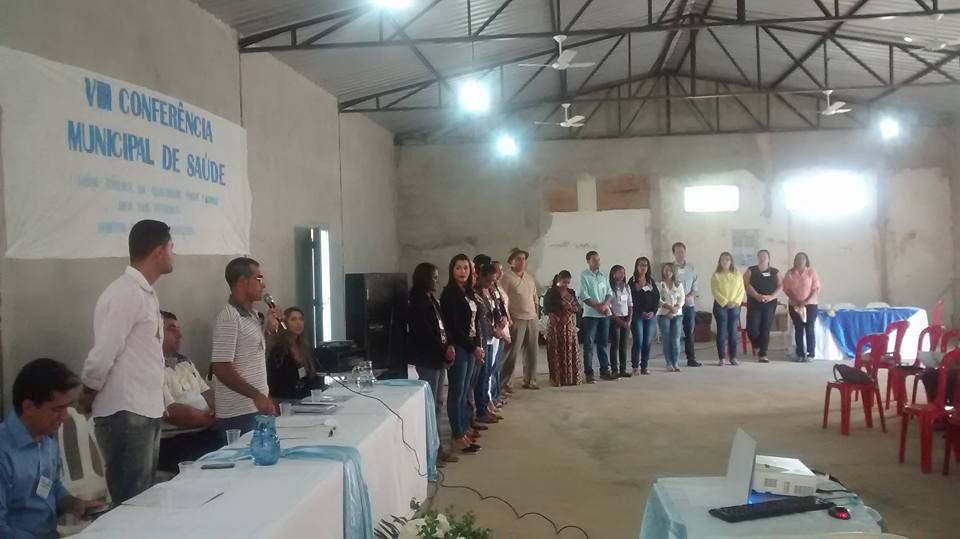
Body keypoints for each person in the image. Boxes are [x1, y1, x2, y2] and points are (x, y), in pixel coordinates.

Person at [78, 219, 173, 504]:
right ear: (158, 251)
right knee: (131, 501)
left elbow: (148, 355)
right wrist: (88, 392)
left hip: (145, 409)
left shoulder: (145, 293)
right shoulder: (125, 293)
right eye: (171, 247)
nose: (173, 254)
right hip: (126, 411)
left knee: (143, 498)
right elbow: (104, 352)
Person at [1, 359, 94, 538]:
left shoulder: (47, 441)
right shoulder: (4, 453)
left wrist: (73, 504)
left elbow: (52, 486)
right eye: (57, 409)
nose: (65, 416)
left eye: (67, 407)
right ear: (28, 407)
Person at [211, 257, 281, 437]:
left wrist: (270, 331)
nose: (263, 285)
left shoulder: (254, 315)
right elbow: (221, 367)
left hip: (257, 407)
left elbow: (255, 357)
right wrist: (256, 395)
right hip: (238, 412)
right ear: (242, 281)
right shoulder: (229, 317)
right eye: (259, 279)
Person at [405, 262, 458, 465]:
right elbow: (424, 333)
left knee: (437, 404)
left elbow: (443, 326)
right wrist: (444, 349)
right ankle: (430, 453)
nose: (437, 281)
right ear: (424, 278)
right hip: (429, 359)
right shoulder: (416, 302)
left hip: (439, 358)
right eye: (434, 277)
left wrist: (450, 344)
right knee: (429, 406)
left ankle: (438, 447)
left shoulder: (432, 299)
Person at [157, 311, 222, 474]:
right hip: (174, 441)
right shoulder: (150, 368)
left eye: (179, 329)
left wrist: (218, 411)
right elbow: (171, 412)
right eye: (171, 329)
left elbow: (207, 393)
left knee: (237, 444)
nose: (179, 335)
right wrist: (208, 419)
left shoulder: (185, 362)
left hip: (204, 431)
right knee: (217, 460)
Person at [440, 254, 483, 454]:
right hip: (459, 346)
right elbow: (454, 327)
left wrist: (478, 346)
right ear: (452, 270)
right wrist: (472, 348)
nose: (462, 271)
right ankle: (457, 434)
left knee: (466, 390)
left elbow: (475, 323)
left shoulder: (469, 292)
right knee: (457, 391)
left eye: (466, 267)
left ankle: (465, 428)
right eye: (458, 268)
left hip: (471, 346)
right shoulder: (449, 294)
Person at [499, 248, 540, 392]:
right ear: (511, 261)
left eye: (524, 259)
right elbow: (502, 300)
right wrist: (507, 318)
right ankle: (506, 383)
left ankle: (530, 380)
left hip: (532, 318)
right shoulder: (506, 278)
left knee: (532, 352)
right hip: (516, 318)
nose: (522, 262)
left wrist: (536, 314)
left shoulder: (530, 278)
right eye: (518, 259)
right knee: (512, 352)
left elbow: (535, 297)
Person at [267, 307, 324, 400]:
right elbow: (276, 383)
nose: (298, 323)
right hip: (285, 398)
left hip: (305, 397)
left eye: (301, 319)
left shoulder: (305, 347)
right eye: (293, 319)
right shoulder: (279, 349)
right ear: (284, 323)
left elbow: (312, 376)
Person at [472, 261, 502, 424]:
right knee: (481, 376)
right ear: (480, 276)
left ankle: (484, 408)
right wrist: (492, 330)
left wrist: (499, 322)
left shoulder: (490, 290)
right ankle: (481, 410)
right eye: (488, 280)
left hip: (491, 338)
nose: (491, 283)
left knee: (487, 373)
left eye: (493, 281)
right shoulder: (475, 292)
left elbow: (494, 310)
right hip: (482, 338)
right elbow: (481, 319)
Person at [580, 251, 616, 383]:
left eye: (598, 260)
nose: (597, 262)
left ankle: (604, 371)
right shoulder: (584, 276)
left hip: (604, 315)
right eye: (594, 260)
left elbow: (609, 292)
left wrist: (605, 305)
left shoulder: (604, 275)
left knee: (603, 343)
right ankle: (589, 373)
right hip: (590, 315)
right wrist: (598, 307)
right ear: (588, 261)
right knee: (589, 345)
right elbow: (583, 295)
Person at [542, 271, 583, 386]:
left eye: (568, 282)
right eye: (564, 282)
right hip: (556, 325)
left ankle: (571, 378)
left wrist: (572, 308)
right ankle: (557, 379)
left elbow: (578, 308)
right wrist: (561, 308)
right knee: (556, 351)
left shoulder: (571, 292)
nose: (566, 285)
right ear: (558, 281)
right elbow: (546, 308)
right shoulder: (551, 292)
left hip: (569, 326)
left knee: (570, 350)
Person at [744, 250, 782, 363]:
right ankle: (757, 344)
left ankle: (763, 354)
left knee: (765, 328)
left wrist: (771, 297)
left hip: (770, 303)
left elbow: (780, 286)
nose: (762, 258)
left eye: (765, 256)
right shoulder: (751, 270)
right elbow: (746, 284)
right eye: (760, 256)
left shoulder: (775, 272)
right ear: (757, 258)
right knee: (752, 329)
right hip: (754, 302)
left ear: (769, 258)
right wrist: (757, 296)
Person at [782, 252, 821, 362]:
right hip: (794, 305)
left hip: (810, 305)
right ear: (795, 260)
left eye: (803, 259)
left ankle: (810, 354)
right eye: (798, 258)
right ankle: (800, 354)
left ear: (806, 260)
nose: (800, 261)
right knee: (798, 329)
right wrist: (796, 300)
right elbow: (787, 289)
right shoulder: (790, 273)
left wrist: (806, 301)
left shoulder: (812, 272)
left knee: (809, 328)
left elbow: (816, 288)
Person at [711, 252, 746, 367]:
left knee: (733, 332)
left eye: (727, 259)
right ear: (720, 262)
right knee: (722, 333)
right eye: (723, 260)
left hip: (734, 306)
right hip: (721, 306)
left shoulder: (737, 274)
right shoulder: (716, 275)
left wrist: (735, 302)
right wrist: (726, 302)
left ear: (731, 261)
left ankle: (733, 357)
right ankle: (722, 358)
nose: (725, 262)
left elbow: (741, 290)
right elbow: (715, 291)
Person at [672, 242, 702, 367]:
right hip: (675, 305)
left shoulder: (691, 268)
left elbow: (696, 286)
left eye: (682, 252)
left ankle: (691, 359)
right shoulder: (671, 268)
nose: (680, 254)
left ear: (685, 252)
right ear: (674, 253)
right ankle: (673, 360)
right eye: (677, 252)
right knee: (675, 333)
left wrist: (690, 296)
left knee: (689, 332)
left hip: (689, 304)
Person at [628, 257, 659, 376]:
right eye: (641, 265)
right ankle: (635, 366)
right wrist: (642, 311)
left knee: (647, 341)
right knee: (638, 340)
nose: (643, 268)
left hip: (650, 315)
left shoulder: (650, 281)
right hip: (637, 315)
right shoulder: (632, 281)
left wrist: (653, 311)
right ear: (636, 267)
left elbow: (656, 297)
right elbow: (632, 299)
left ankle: (644, 366)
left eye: (645, 265)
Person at [488, 261, 512, 409]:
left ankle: (496, 394)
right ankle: (490, 398)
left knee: (497, 367)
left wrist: (507, 319)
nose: (501, 273)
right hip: (495, 332)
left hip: (503, 329)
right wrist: (502, 332)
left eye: (502, 270)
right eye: (498, 270)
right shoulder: (489, 289)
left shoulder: (498, 288)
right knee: (491, 369)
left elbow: (502, 307)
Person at [658, 263, 685, 372]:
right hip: (664, 314)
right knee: (666, 339)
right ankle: (668, 363)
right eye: (665, 270)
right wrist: (669, 308)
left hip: (677, 314)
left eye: (669, 270)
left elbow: (682, 298)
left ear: (673, 272)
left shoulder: (678, 284)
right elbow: (658, 299)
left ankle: (675, 362)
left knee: (676, 340)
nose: (668, 272)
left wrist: (675, 308)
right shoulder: (659, 284)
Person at [608, 265, 634, 378]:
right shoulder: (610, 287)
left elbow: (630, 304)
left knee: (624, 345)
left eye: (623, 272)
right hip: (615, 319)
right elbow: (609, 306)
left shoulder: (627, 287)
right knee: (615, 345)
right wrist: (617, 320)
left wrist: (629, 319)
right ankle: (614, 370)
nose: (622, 274)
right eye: (620, 272)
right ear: (614, 274)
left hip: (626, 318)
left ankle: (623, 369)